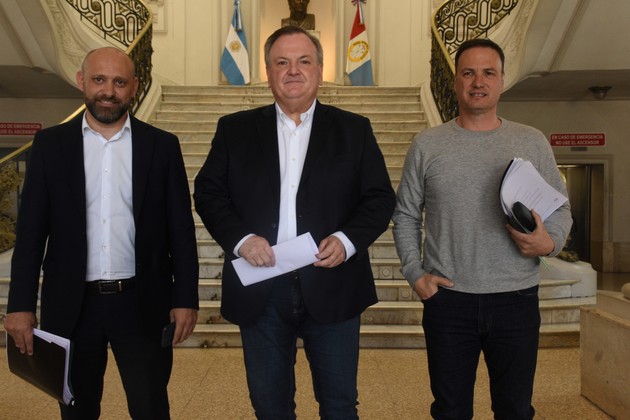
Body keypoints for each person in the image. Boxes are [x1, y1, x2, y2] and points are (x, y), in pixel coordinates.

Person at [194, 25, 395, 419]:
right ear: (268, 71)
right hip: (261, 289)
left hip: (334, 285)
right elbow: (208, 193)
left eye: (304, 61)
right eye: (282, 62)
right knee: (269, 407)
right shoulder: (234, 130)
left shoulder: (354, 129)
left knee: (339, 406)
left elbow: (379, 197)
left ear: (320, 69)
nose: (293, 71)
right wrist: (241, 240)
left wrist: (347, 240)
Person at [4, 47, 199, 419]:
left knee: (150, 408)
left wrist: (186, 297)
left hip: (143, 304)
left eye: (119, 82)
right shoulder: (50, 146)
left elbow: (180, 229)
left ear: (134, 87)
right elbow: (31, 233)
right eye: (99, 79)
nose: (108, 91)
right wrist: (20, 305)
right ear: (82, 81)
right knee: (77, 411)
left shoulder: (161, 146)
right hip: (72, 307)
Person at [392, 38, 572, 419]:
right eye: (468, 73)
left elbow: (560, 207)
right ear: (455, 81)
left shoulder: (531, 141)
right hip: (448, 300)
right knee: (450, 411)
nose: (478, 81)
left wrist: (549, 243)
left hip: (516, 298)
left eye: (488, 72)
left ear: (502, 80)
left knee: (515, 410)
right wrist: (415, 274)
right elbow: (405, 214)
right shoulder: (427, 145)